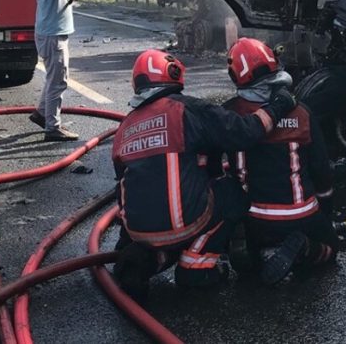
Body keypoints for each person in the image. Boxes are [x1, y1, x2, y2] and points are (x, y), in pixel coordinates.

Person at [111, 49, 296, 299]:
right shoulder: (187, 110)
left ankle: (148, 261)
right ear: (174, 74)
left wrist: (126, 242)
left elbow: (123, 189)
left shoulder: (124, 129)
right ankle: (195, 265)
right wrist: (280, 105)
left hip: (140, 233)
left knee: (169, 222)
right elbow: (244, 132)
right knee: (231, 194)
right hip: (184, 224)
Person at [222, 37, 339, 285]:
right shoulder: (302, 113)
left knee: (248, 262)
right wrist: (325, 216)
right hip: (302, 215)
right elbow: (322, 172)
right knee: (330, 248)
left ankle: (247, 250)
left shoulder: (229, 115)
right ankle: (305, 249)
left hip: (254, 218)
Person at [31, 0, 84, 141]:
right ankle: (52, 128)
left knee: (54, 78)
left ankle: (41, 114)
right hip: (51, 35)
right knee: (58, 82)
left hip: (59, 33)